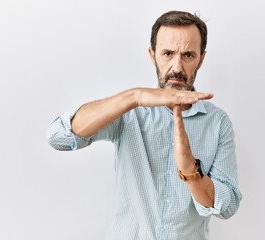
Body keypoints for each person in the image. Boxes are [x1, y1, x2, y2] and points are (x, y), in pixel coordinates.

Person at [47, 10, 242, 240]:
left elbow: (227, 206)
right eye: (168, 53)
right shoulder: (130, 112)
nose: (177, 67)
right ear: (152, 55)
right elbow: (58, 137)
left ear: (201, 58)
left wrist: (191, 171)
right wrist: (133, 97)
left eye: (188, 55)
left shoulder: (218, 123)